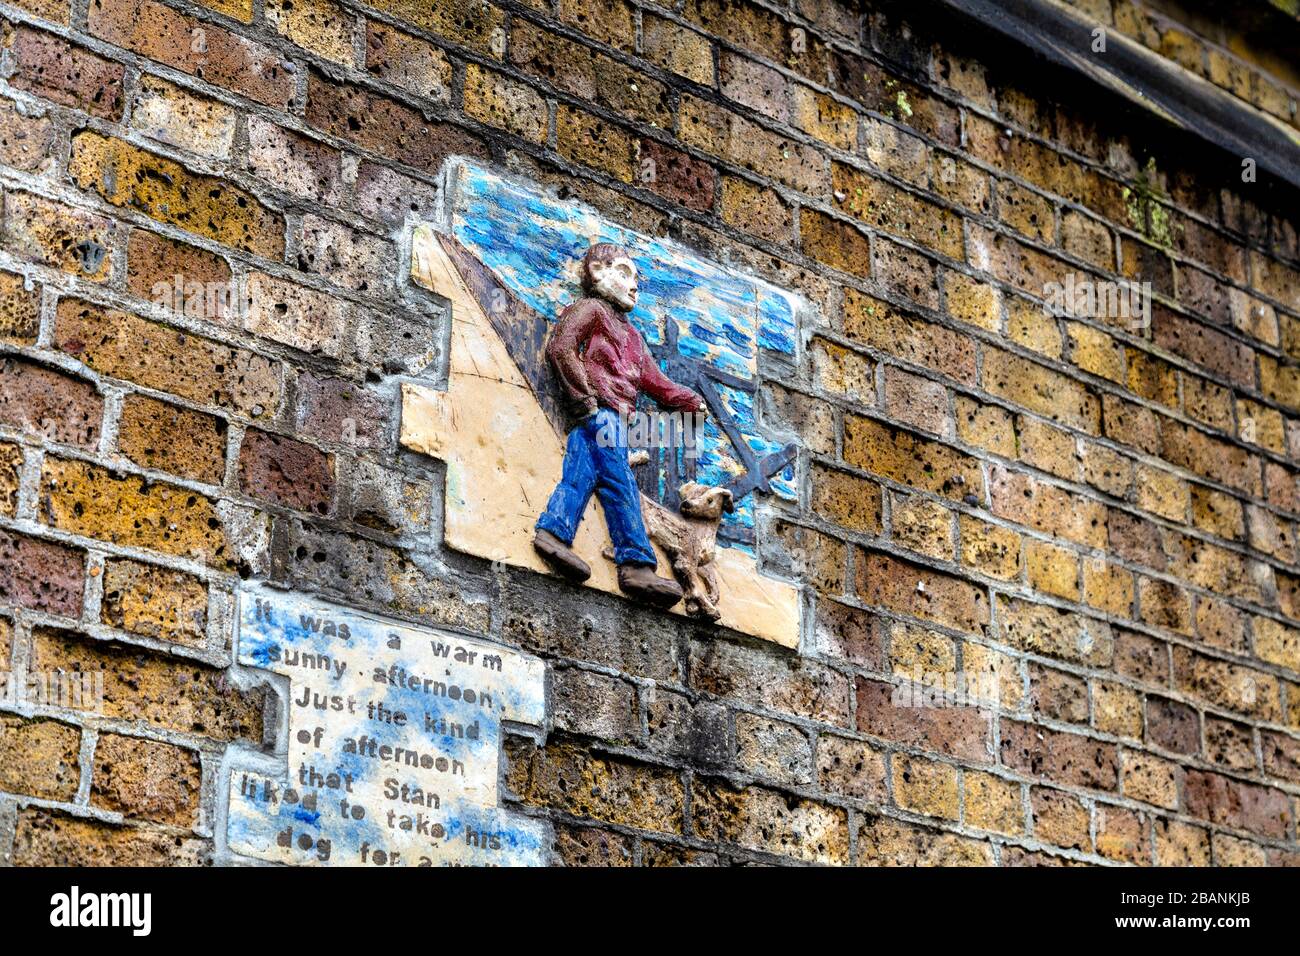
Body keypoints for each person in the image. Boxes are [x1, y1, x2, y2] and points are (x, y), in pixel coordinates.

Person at [533, 243, 705, 609]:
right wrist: (586, 404)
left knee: (579, 476)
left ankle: (552, 533)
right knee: (620, 483)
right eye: (624, 273)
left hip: (609, 421)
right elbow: (562, 347)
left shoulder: (634, 339)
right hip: (601, 414)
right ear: (597, 272)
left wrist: (689, 400)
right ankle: (636, 563)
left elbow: (656, 383)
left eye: (637, 278)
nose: (634, 285)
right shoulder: (590, 310)